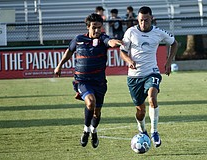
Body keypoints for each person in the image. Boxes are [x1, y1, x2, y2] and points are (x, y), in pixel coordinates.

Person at [54, 13, 122, 148]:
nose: (97, 30)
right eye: (94, 27)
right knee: (90, 102)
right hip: (82, 81)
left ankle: (94, 131)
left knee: (97, 112)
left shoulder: (103, 38)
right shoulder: (79, 39)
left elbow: (110, 42)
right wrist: (59, 66)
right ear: (88, 27)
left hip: (99, 83)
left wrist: (117, 42)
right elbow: (69, 51)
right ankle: (86, 130)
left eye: (99, 27)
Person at [120, 6, 178, 148]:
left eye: (146, 20)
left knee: (152, 97)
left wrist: (169, 61)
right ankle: (142, 129)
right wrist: (129, 61)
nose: (143, 23)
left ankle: (154, 132)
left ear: (151, 18)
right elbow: (122, 51)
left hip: (152, 72)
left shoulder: (158, 32)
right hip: (134, 77)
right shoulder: (130, 32)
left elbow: (174, 43)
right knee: (141, 111)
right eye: (140, 20)